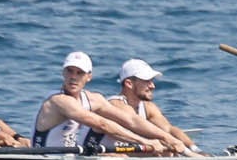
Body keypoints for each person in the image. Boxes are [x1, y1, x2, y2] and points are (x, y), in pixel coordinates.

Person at [32, 51, 164, 153]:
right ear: (63, 73)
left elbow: (130, 120)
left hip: (68, 159)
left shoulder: (94, 99)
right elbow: (102, 124)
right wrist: (144, 142)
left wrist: (167, 138)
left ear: (89, 77)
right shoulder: (59, 101)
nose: (73, 77)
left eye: (79, 73)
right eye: (70, 71)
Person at [102, 59, 198, 154]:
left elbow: (169, 129)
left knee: (169, 152)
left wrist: (194, 148)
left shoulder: (148, 107)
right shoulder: (116, 105)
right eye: (147, 81)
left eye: (152, 81)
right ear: (129, 84)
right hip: (106, 154)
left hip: (130, 152)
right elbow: (134, 122)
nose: (152, 86)